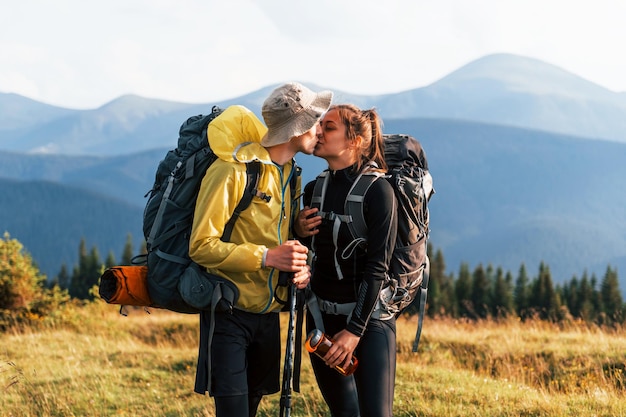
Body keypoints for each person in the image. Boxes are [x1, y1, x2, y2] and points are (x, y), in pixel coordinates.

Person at [189, 82, 333, 416]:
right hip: (228, 313)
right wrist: (268, 257)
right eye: (314, 119)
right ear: (296, 127)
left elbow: (270, 233)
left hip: (269, 316)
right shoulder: (231, 171)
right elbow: (201, 245)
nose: (319, 128)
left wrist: (297, 252)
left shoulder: (290, 175)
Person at [295, 104, 398, 417]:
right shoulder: (314, 190)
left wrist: (353, 331)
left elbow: (377, 268)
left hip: (369, 323)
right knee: (343, 413)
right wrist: (297, 230)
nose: (318, 132)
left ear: (354, 141)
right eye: (320, 125)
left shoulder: (379, 192)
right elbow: (306, 255)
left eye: (329, 127)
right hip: (321, 320)